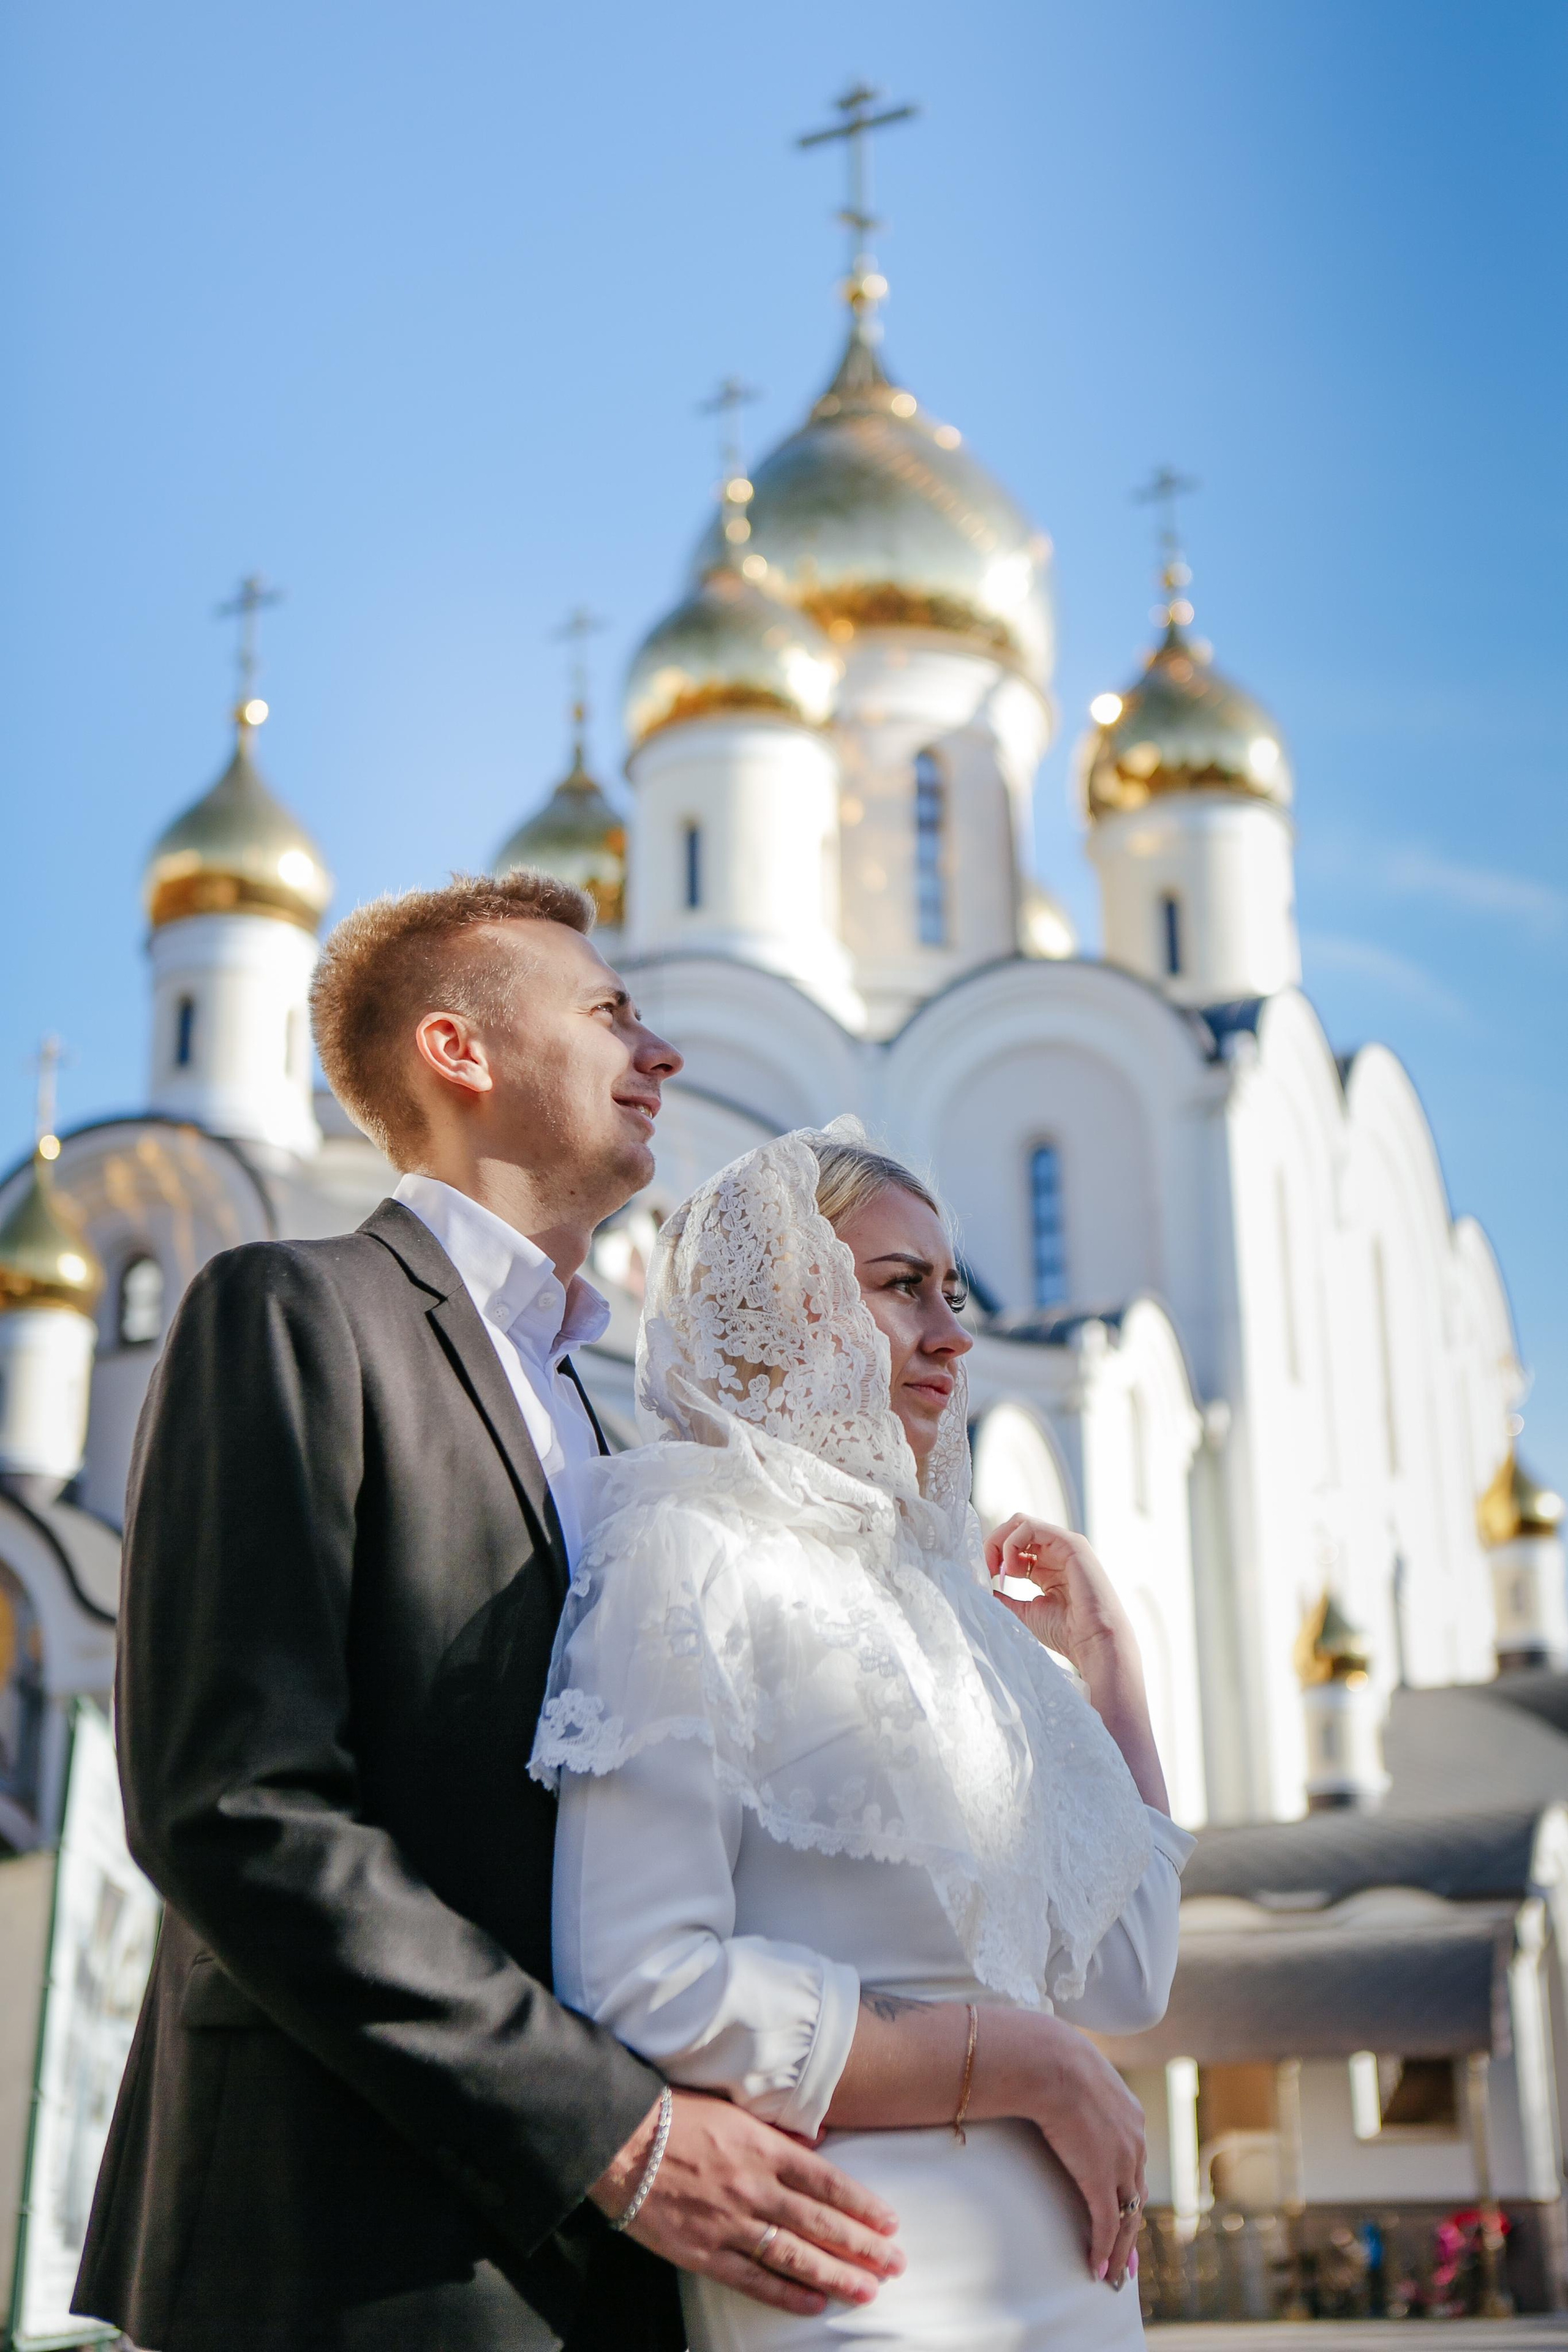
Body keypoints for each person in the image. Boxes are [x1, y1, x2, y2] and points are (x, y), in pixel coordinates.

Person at [75, 876, 903, 2352]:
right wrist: (615, 2134)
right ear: (461, 1053)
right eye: (608, 1014)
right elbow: (236, 1805)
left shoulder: (609, 1428)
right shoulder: (291, 1310)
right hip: (343, 2250)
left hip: (604, 2274)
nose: (661, 1056)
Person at [533, 1124, 1194, 2352]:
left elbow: (1126, 1973)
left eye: (954, 1294)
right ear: (781, 1306)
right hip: (861, 2275)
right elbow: (639, 1982)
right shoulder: (690, 1543)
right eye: (901, 1288)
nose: (953, 1333)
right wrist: (1028, 2067)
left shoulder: (957, 1615)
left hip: (1076, 2286)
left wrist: (1109, 1662)